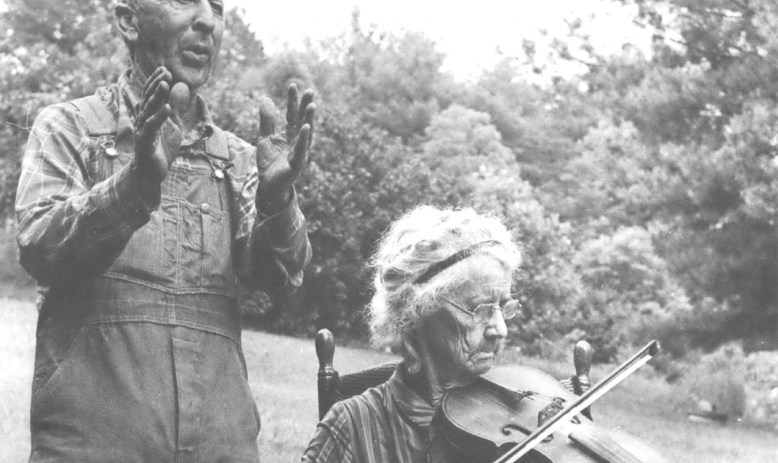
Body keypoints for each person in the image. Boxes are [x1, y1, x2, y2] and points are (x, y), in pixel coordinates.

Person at [15, 1, 314, 461]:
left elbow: (281, 279)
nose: (207, 21)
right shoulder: (69, 127)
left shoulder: (238, 157)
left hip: (222, 447)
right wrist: (134, 186)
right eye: (184, 1)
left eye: (217, 7)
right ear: (128, 21)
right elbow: (39, 245)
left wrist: (278, 205)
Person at [301, 206, 522, 462]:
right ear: (417, 312)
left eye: (503, 307)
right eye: (480, 309)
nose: (500, 329)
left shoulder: (516, 420)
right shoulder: (353, 427)